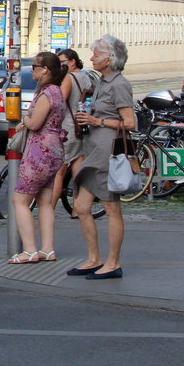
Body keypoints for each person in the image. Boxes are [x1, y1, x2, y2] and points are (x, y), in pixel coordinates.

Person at [69, 36, 135, 280]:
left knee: (111, 207)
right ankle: (94, 259)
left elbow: (129, 123)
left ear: (110, 59)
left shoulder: (119, 84)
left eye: (96, 54)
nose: (92, 57)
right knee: (81, 206)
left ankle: (113, 263)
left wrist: (98, 121)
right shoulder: (102, 82)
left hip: (109, 153)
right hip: (94, 151)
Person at [7, 51, 67, 264]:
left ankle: (30, 250)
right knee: (45, 201)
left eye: (34, 66)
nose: (32, 69)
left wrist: (25, 117)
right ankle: (48, 249)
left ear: (45, 70)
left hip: (39, 152)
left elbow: (34, 124)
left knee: (20, 200)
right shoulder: (58, 92)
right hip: (54, 152)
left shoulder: (46, 94)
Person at [51, 48, 96, 211]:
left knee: (59, 172)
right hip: (83, 126)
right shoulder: (86, 76)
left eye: (62, 62)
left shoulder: (69, 78)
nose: (60, 66)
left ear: (72, 61)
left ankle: (50, 208)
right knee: (78, 170)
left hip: (68, 128)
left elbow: (59, 102)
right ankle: (79, 208)